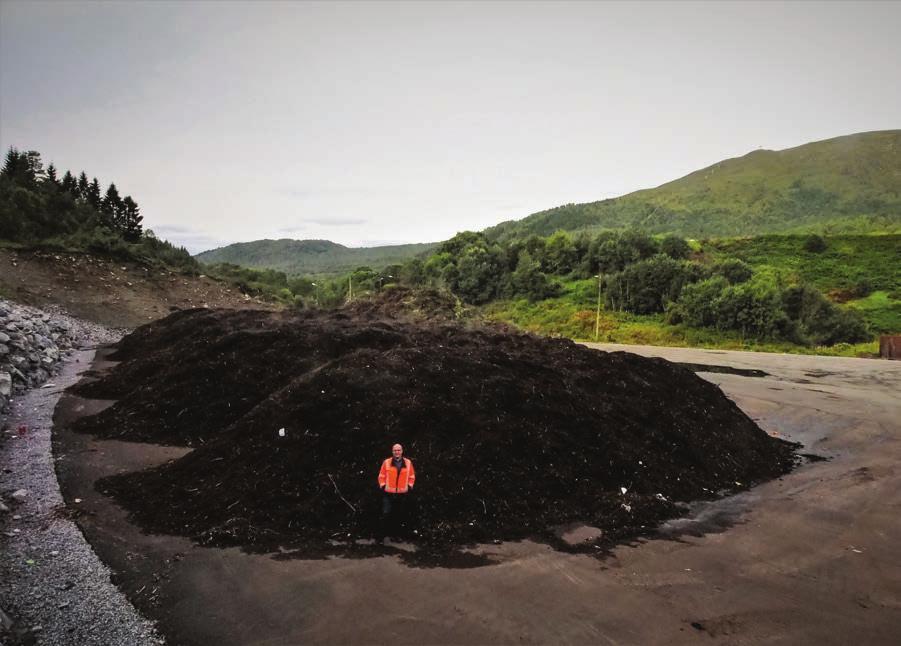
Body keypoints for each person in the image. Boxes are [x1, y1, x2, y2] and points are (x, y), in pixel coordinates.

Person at [377, 443, 415, 539]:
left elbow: (412, 477)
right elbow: (381, 476)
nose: (397, 452)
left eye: (399, 450)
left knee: (399, 516)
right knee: (385, 514)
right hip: (388, 494)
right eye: (395, 450)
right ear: (392, 451)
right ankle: (381, 537)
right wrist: (383, 486)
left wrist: (409, 487)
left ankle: (396, 536)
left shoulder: (408, 463)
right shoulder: (386, 462)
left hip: (402, 494)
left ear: (402, 451)